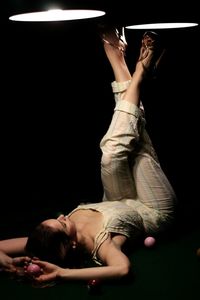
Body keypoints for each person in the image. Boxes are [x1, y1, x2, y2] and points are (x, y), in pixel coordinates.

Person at [0, 27, 177, 285]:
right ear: (71, 244)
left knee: (111, 153)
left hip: (119, 196)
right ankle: (129, 66)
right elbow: (121, 269)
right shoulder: (100, 244)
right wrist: (62, 273)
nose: (63, 217)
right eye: (62, 224)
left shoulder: (43, 239)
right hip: (153, 209)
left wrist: (7, 263)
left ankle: (135, 70)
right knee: (136, 146)